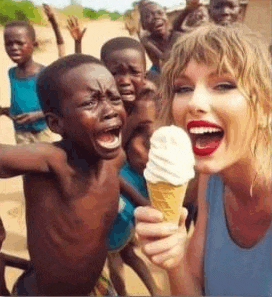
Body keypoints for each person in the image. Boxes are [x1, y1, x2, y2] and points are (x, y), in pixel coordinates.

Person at [135, 23, 271, 296]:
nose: (194, 102)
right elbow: (195, 289)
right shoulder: (212, 181)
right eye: (182, 88)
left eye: (223, 85)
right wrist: (174, 262)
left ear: (265, 108)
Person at [0, 54, 127, 296]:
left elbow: (114, 180)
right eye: (90, 103)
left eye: (114, 97)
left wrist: (145, 205)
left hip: (96, 285)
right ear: (56, 124)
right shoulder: (53, 161)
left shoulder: (116, 157)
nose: (110, 110)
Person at [107, 86, 159, 296]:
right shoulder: (120, 164)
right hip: (117, 224)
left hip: (121, 228)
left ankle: (153, 292)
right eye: (140, 130)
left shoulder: (150, 176)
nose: (150, 151)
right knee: (125, 257)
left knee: (118, 259)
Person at [1, 20, 52, 144]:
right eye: (9, 44)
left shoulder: (44, 73)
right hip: (20, 134)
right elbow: (18, 103)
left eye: (20, 43)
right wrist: (4, 111)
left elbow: (57, 107)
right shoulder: (11, 73)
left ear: (34, 45)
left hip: (41, 134)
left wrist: (37, 115)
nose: (14, 48)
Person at [100, 36, 146, 117]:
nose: (125, 81)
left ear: (145, 75)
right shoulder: (98, 116)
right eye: (114, 73)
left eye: (134, 72)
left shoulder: (155, 112)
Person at [139, 0, 181, 79]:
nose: (156, 17)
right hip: (159, 73)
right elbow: (164, 58)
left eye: (160, 13)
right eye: (148, 16)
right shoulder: (147, 41)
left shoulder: (178, 35)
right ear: (143, 25)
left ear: (167, 17)